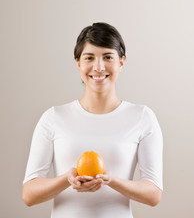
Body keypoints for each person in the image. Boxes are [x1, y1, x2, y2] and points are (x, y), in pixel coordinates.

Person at [22, 22, 163, 218]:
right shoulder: (53, 117)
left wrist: (111, 181)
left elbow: (154, 194)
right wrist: (67, 179)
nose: (98, 67)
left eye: (107, 57)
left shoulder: (142, 117)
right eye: (89, 57)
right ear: (78, 62)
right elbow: (29, 194)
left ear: (121, 62)